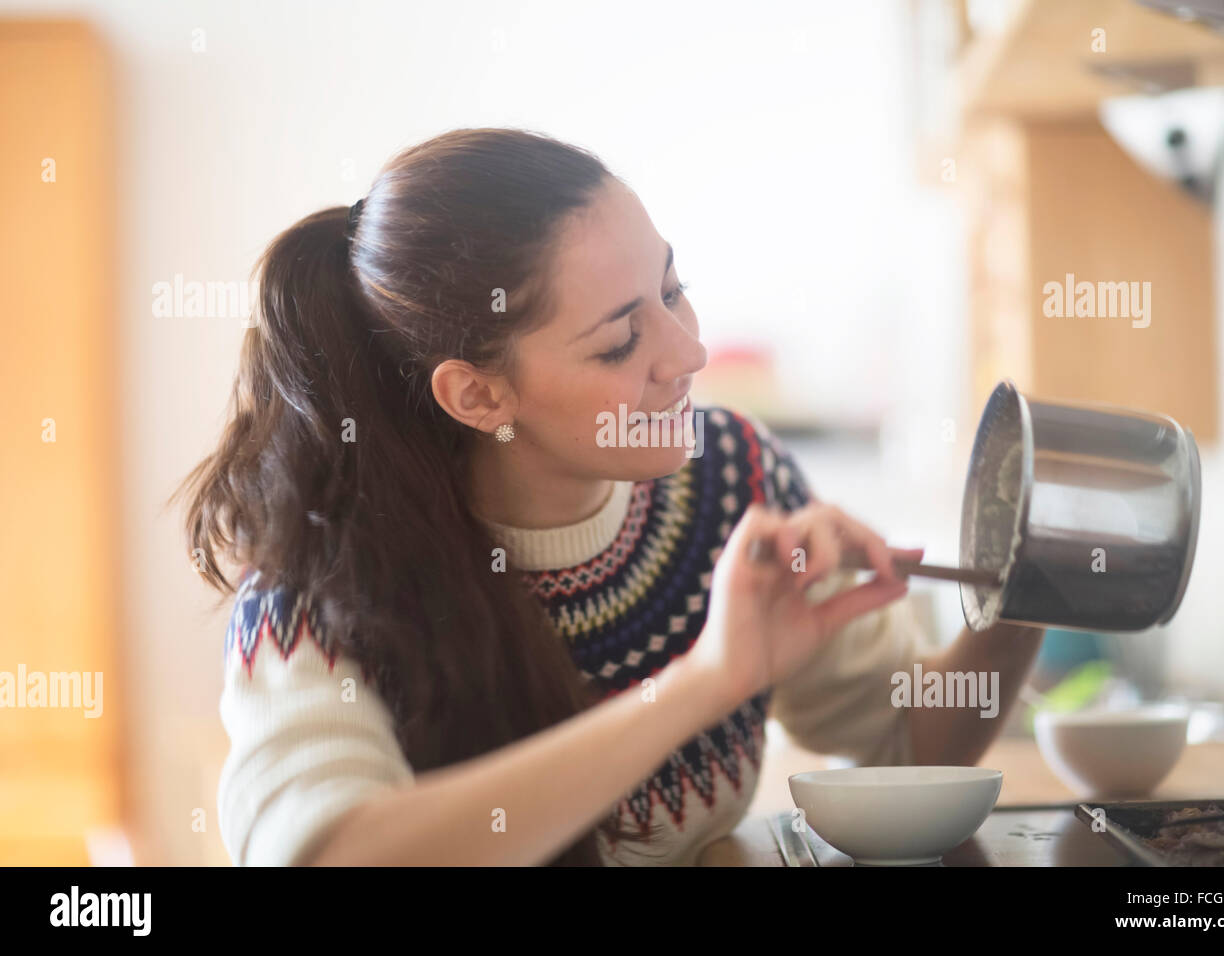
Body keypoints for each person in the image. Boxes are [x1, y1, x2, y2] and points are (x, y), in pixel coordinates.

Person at [176, 127, 1043, 867]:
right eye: (623, 339)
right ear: (479, 396)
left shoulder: (735, 481)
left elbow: (910, 745)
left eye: (673, 291)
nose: (687, 355)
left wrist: (1027, 584)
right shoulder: (319, 588)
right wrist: (707, 680)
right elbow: (334, 855)